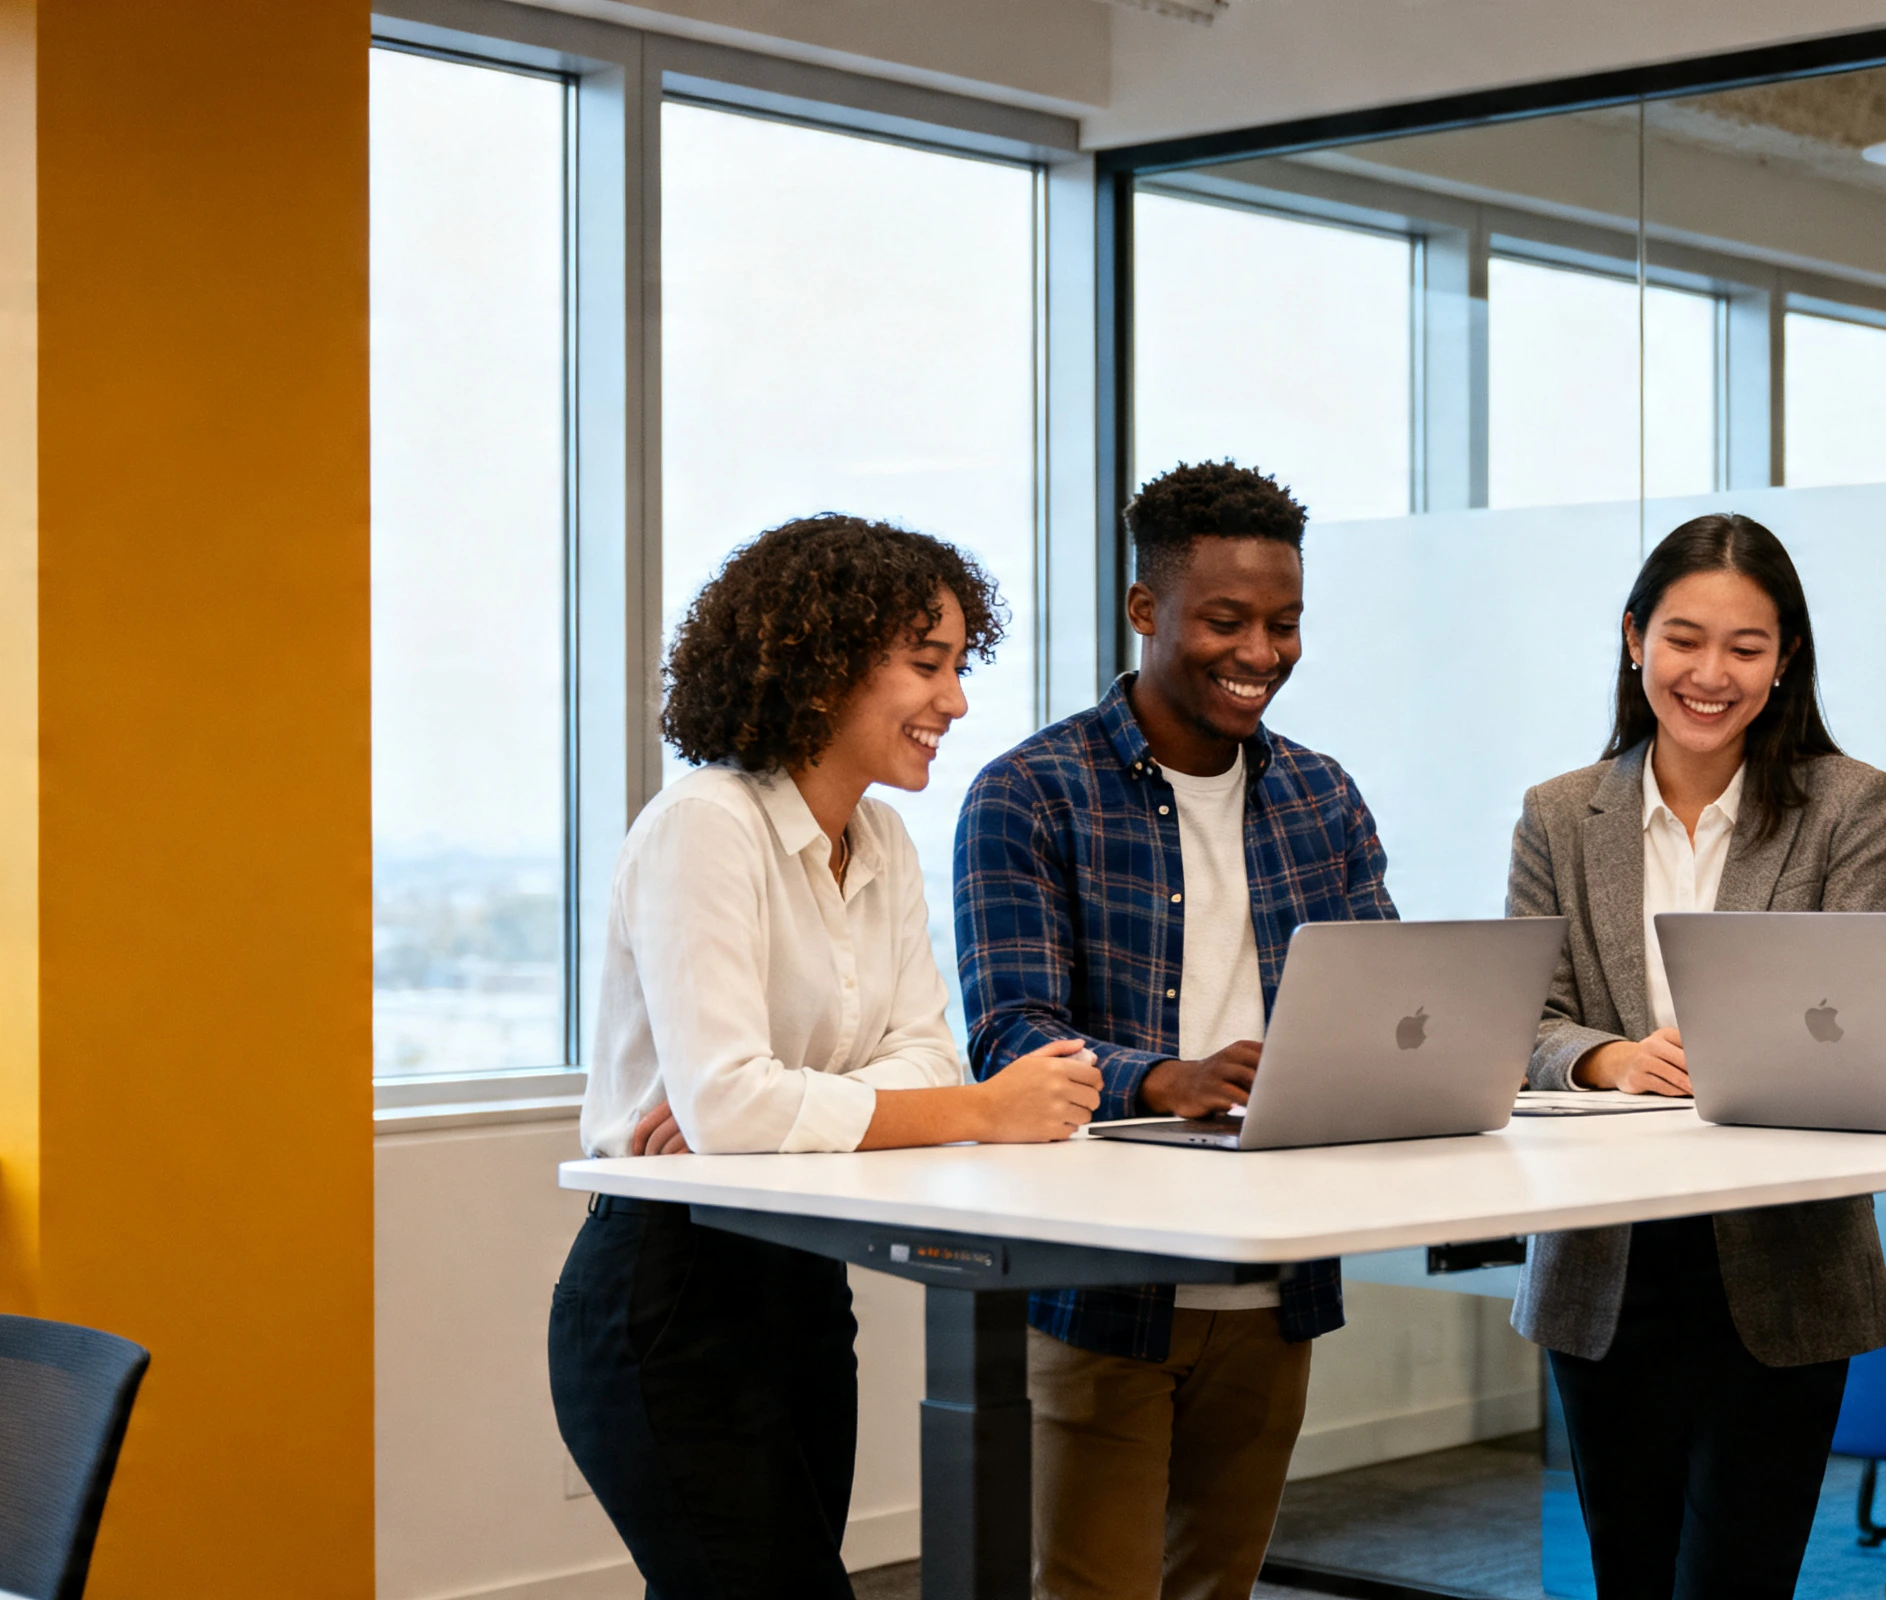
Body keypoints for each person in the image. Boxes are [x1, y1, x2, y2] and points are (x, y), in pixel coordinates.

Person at [548, 514, 1104, 1600]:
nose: (955, 700)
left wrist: (774, 1105)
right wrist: (977, 1112)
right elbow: (738, 1107)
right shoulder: (705, 824)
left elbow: (915, 1057)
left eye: (956, 665)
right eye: (925, 664)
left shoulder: (882, 841)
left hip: (799, 1281)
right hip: (667, 1296)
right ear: (821, 665)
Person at [954, 460, 1394, 1600]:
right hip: (1106, 1286)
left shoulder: (1323, 796)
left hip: (1274, 1278)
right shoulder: (1031, 792)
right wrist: (1164, 1080)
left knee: (1220, 1590)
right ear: (1146, 611)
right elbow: (1007, 1035)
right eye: (1227, 620)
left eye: (1284, 623)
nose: (1262, 652)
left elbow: (1395, 1008)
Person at [1506, 512, 1886, 1600]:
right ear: (1633, 639)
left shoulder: (1847, 805)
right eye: (1683, 638)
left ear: (1784, 663)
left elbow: (1863, 1019)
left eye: (1745, 646)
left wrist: (1748, 1056)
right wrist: (1606, 1059)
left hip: (1781, 1255)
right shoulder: (1558, 815)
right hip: (1607, 1258)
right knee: (1627, 1576)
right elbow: (1519, 1023)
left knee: (1739, 1580)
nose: (1709, 673)